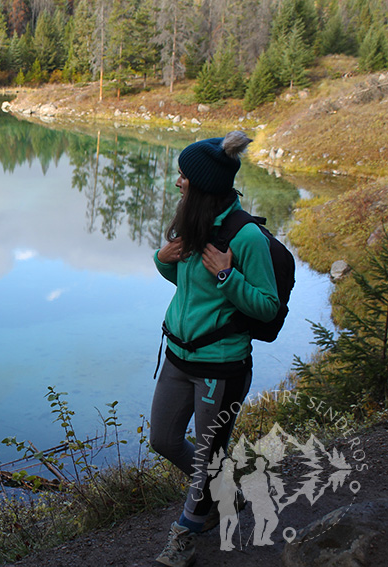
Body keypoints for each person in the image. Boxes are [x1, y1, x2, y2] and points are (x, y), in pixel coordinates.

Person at [149, 131, 280, 567]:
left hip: (220, 367)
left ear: (203, 184)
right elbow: (190, 287)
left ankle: (187, 534)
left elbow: (267, 306)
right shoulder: (193, 220)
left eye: (184, 177)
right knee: (164, 440)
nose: (177, 183)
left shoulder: (245, 238)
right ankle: (223, 491)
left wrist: (228, 276)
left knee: (207, 455)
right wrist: (163, 260)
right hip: (178, 356)